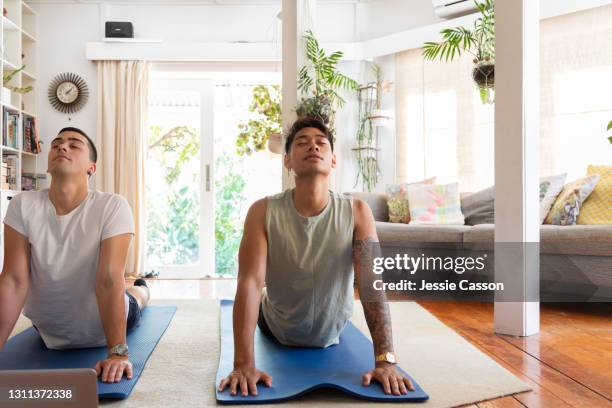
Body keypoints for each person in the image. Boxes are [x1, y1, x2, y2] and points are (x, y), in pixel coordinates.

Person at [218, 117, 415, 397]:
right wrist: (243, 364)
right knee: (260, 300)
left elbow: (372, 284)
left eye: (321, 142)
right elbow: (250, 281)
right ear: (287, 161)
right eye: (302, 142)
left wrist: (386, 361)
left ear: (333, 160)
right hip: (276, 324)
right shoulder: (261, 211)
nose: (313, 145)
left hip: (331, 332)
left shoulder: (357, 211)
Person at [0, 127, 149, 384]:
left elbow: (109, 281)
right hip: (49, 331)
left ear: (91, 168)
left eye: (74, 144)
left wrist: (117, 353)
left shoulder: (112, 206)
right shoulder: (22, 205)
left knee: (136, 297)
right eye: (56, 143)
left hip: (106, 324)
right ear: (48, 164)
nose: (62, 146)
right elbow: (13, 280)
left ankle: (142, 288)